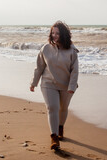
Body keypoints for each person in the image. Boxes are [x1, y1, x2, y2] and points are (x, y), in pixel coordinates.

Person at [30, 21, 79, 150]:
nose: (54, 35)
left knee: (63, 109)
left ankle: (60, 127)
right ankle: (54, 137)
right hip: (48, 83)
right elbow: (39, 67)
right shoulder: (45, 48)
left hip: (66, 85)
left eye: (57, 33)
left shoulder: (72, 50)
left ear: (63, 35)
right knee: (52, 107)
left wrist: (72, 87)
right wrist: (34, 83)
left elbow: (75, 70)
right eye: (53, 33)